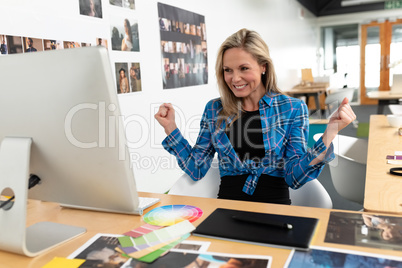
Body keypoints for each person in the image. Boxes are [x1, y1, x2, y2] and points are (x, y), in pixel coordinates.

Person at [155, 29, 356, 204]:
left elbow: (295, 177)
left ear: (263, 67)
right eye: (228, 70)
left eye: (244, 68)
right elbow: (196, 168)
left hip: (273, 209)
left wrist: (330, 132)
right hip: (227, 209)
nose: (235, 79)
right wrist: (170, 128)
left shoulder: (292, 109)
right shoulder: (214, 109)